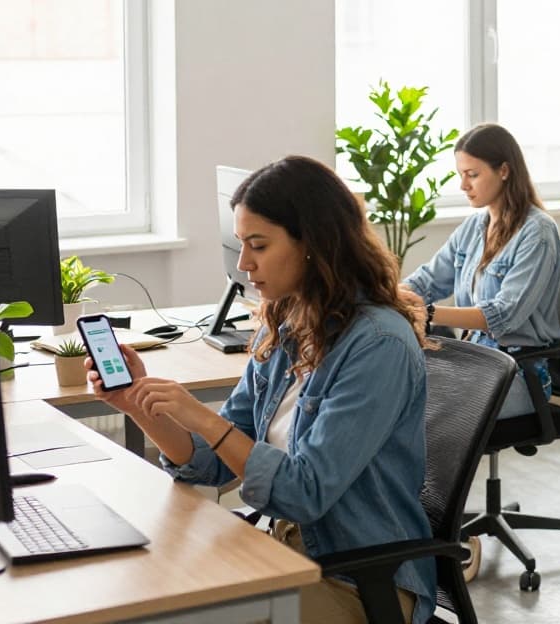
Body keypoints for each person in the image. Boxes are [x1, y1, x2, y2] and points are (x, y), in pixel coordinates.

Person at [89, 155, 437, 624]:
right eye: (241, 244)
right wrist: (139, 405)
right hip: (287, 554)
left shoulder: (378, 345)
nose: (243, 263)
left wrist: (203, 418)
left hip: (359, 581)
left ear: (314, 243)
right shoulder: (288, 322)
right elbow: (211, 464)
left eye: (258, 245)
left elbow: (304, 493)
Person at [403, 122, 560, 421]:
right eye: (461, 175)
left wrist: (429, 313)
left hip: (517, 374)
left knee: (420, 413)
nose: (464, 185)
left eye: (472, 175)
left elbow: (503, 315)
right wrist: (383, 293)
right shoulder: (474, 227)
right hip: (475, 361)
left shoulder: (537, 232)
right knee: (399, 397)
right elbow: (426, 281)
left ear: (504, 170)